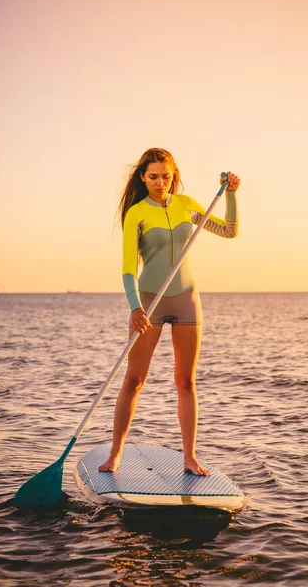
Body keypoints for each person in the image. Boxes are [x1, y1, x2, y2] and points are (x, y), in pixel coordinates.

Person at [99, 148, 240, 475]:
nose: (160, 182)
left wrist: (231, 194)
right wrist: (135, 307)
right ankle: (115, 454)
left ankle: (189, 457)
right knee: (134, 379)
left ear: (174, 176)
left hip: (187, 297)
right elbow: (127, 269)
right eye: (153, 177)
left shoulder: (186, 205)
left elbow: (229, 230)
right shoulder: (137, 213)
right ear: (142, 178)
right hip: (149, 299)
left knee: (186, 381)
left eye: (166, 176)